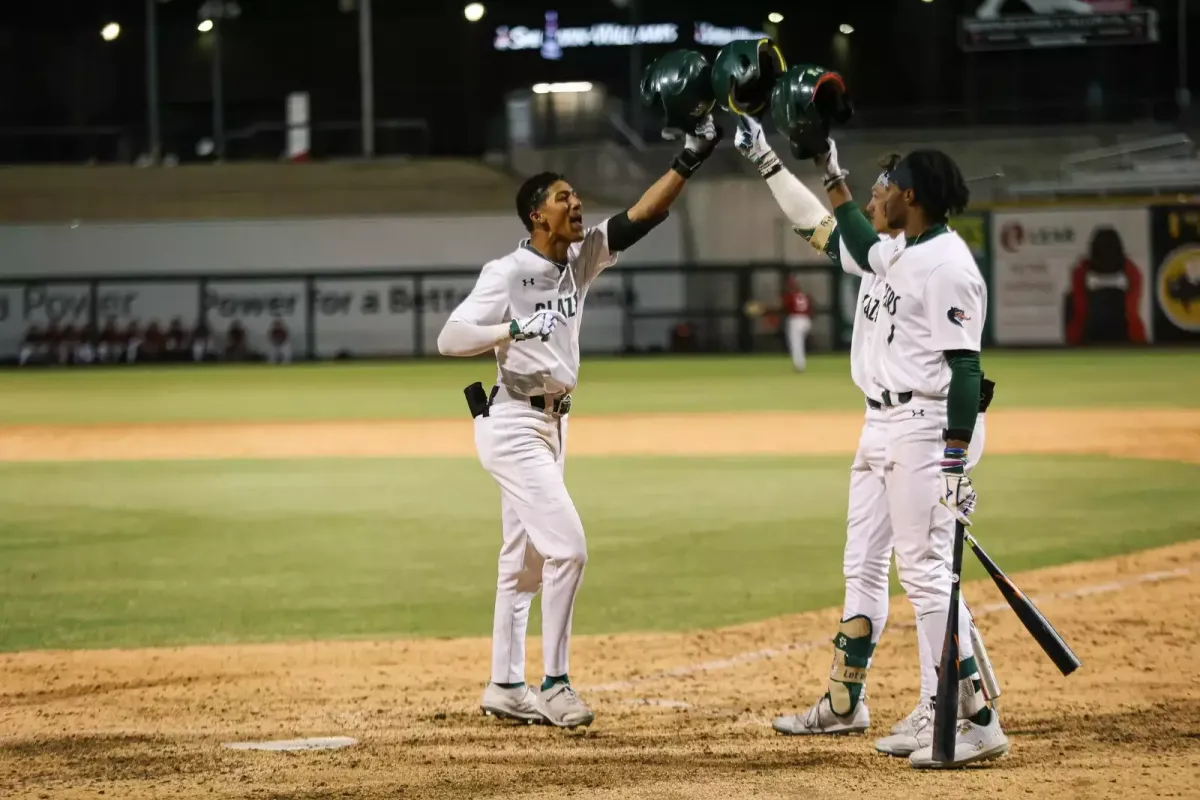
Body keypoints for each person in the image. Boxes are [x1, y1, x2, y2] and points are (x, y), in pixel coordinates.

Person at [735, 113, 1007, 768]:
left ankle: (970, 717)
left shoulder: (946, 265)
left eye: (884, 186)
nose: (874, 194)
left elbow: (967, 368)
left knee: (924, 571)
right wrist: (787, 161)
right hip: (881, 423)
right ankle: (843, 703)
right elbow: (831, 226)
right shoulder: (895, 253)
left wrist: (953, 462)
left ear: (911, 197)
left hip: (926, 427)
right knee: (863, 563)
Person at [436, 114, 720, 729]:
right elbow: (449, 337)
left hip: (553, 425)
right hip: (511, 422)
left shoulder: (579, 260)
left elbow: (640, 216)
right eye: (564, 197)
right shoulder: (506, 273)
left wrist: (692, 157)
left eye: (576, 196)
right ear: (537, 215)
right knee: (569, 550)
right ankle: (556, 682)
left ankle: (505, 684)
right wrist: (511, 327)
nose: (577, 203)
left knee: (524, 563)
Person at [781, 276, 812, 371]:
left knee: (796, 344)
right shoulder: (804, 295)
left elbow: (784, 308)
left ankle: (799, 365)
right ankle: (800, 364)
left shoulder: (790, 295)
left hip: (796, 320)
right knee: (799, 343)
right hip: (806, 320)